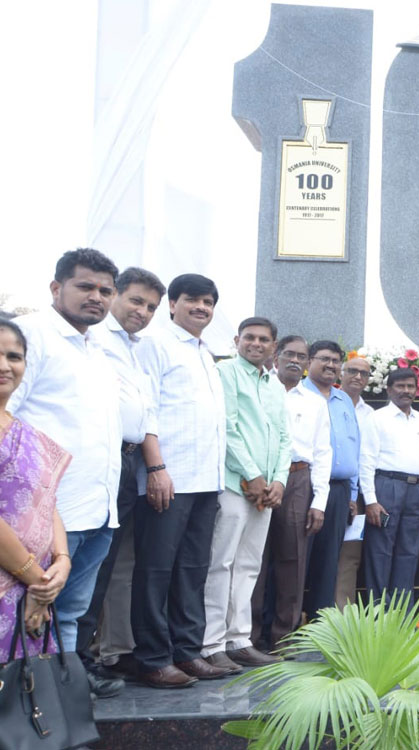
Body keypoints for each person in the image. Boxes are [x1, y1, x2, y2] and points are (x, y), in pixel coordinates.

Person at [10, 248, 123, 697]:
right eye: (85, 287)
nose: (96, 297)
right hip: (43, 512)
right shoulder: (31, 337)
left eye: (104, 291)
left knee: (71, 612)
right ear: (56, 288)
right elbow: (6, 415)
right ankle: (24, 709)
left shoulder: (96, 347)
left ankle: (62, 702)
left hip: (96, 507)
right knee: (27, 611)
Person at [133, 273, 230, 687]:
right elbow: (146, 410)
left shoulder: (205, 352)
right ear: (172, 304)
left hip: (206, 480)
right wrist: (155, 468)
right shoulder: (155, 344)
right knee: (156, 570)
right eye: (192, 299)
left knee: (193, 569)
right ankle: (154, 657)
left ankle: (187, 652)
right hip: (170, 478)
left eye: (208, 302)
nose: (201, 308)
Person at [78, 266, 164, 686]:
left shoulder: (134, 347)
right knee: (83, 563)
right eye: (135, 300)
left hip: (128, 461)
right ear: (115, 296)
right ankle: (72, 662)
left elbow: (143, 410)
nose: (142, 311)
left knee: (103, 561)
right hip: (97, 458)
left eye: (150, 306)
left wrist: (151, 465)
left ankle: (81, 659)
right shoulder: (93, 338)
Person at [202, 317, 290, 671]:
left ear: (274, 346)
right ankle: (211, 644)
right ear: (237, 340)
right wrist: (252, 475)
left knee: (250, 564)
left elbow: (285, 438)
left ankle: (239, 639)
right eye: (249, 337)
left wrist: (279, 481)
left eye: (264, 339)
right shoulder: (226, 374)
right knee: (220, 563)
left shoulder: (274, 384)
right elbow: (228, 427)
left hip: (266, 490)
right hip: (235, 484)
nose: (256, 343)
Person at [0, 320, 73, 660]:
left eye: (14, 356)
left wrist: (62, 561)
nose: (4, 366)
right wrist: (39, 582)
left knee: (23, 699)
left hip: (29, 591)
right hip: (26, 582)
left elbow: (47, 501)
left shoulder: (27, 434)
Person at [253, 335, 331, 650]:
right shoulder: (260, 389)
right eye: (289, 354)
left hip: (299, 479)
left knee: (292, 561)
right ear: (276, 356)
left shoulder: (315, 402)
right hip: (259, 479)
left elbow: (324, 452)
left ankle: (283, 636)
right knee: (252, 560)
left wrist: (320, 502)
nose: (295, 361)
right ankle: (244, 636)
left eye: (302, 356)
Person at [360, 368, 419, 599]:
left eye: (410, 386)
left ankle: (402, 613)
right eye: (400, 386)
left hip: (415, 491)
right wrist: (371, 500)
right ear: (389, 389)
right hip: (386, 488)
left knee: (409, 552)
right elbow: (366, 460)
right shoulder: (377, 418)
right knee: (380, 552)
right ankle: (379, 612)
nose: (406, 391)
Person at [301, 340, 361, 621]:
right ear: (309, 361)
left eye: (336, 361)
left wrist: (352, 494)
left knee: (328, 563)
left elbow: (354, 447)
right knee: (297, 558)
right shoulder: (298, 395)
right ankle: (284, 627)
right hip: (304, 486)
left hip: (338, 492)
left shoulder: (344, 401)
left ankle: (318, 625)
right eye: (324, 359)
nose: (331, 365)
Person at [336, 356, 375, 609]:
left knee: (350, 556)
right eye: (352, 371)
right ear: (341, 372)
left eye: (363, 373)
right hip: (326, 487)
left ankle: (341, 614)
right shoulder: (326, 402)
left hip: (358, 493)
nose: (357, 377)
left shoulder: (370, 414)